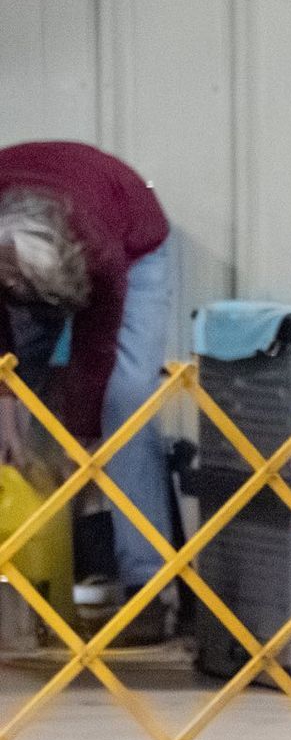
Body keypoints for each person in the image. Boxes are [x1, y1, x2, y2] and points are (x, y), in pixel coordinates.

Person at [0, 141, 175, 639]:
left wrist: (83, 439)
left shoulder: (100, 252)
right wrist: (7, 411)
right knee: (10, 407)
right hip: (25, 238)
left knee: (127, 401)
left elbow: (96, 348)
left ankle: (148, 590)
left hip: (134, 239)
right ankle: (23, 578)